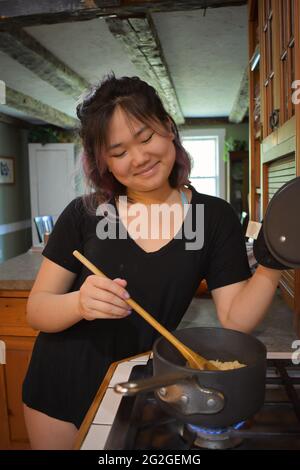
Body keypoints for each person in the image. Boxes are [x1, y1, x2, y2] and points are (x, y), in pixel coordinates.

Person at [22, 73, 283, 450]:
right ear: (105, 164)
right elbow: (37, 309)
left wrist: (274, 259)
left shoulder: (214, 217)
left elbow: (235, 319)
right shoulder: (85, 214)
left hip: (143, 384)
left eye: (146, 138)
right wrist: (79, 303)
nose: (139, 158)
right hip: (58, 385)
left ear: (168, 128)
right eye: (119, 151)